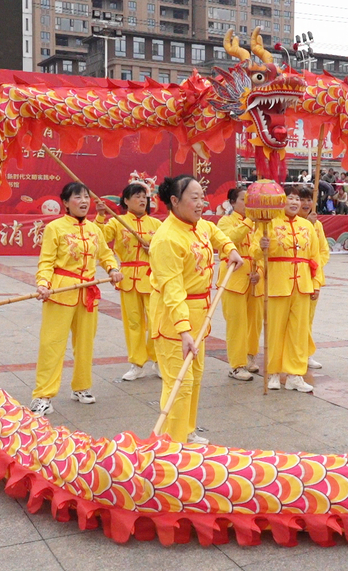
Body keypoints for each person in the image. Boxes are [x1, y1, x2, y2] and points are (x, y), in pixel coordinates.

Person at [149, 175, 243, 444]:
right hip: (174, 318)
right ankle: (171, 443)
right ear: (175, 201)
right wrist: (183, 332)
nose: (201, 203)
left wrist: (229, 248)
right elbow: (172, 290)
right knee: (180, 381)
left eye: (203, 196)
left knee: (195, 376)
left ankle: (185, 432)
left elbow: (215, 233)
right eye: (195, 197)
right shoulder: (167, 239)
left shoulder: (198, 225)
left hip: (201, 312)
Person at [31, 182, 124, 417]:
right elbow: (46, 261)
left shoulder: (94, 229)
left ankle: (81, 387)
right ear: (65, 202)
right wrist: (43, 284)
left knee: (85, 343)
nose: (83, 202)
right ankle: (43, 395)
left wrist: (112, 270)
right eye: (77, 197)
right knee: (51, 344)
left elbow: (104, 254)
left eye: (86, 197)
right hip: (61, 292)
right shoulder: (55, 228)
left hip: (88, 292)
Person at [253, 185, 323, 394]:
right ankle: (273, 372)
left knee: (299, 331)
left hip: (302, 284)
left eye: (296, 199)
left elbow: (315, 257)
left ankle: (295, 374)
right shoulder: (269, 224)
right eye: (289, 198)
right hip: (277, 283)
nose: (294, 203)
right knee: (275, 330)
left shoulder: (307, 226)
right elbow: (254, 251)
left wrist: (316, 283)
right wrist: (262, 246)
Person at [98, 183, 162, 382]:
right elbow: (99, 239)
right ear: (126, 201)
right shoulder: (117, 222)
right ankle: (137, 363)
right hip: (128, 278)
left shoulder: (157, 225)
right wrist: (100, 216)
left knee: (156, 321)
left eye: (144, 196)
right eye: (137, 196)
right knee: (133, 324)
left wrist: (152, 248)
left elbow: (166, 250)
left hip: (151, 277)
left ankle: (159, 360)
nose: (142, 200)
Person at [218, 186, 263, 382]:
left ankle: (250, 356)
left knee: (254, 323)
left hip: (254, 278)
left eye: (250, 199)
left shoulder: (259, 225)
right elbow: (229, 240)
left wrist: (260, 271)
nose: (248, 203)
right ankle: (236, 365)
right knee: (236, 324)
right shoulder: (224, 221)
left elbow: (264, 252)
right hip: (233, 278)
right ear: (233, 202)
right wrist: (249, 221)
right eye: (244, 199)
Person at [297, 187, 329, 372]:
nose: (306, 203)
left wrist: (314, 265)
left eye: (309, 200)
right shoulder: (290, 224)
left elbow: (323, 251)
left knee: (308, 319)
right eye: (303, 199)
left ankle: (306, 353)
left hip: (313, 277)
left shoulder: (318, 225)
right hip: (294, 277)